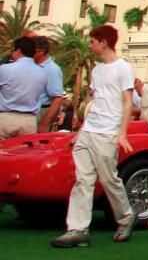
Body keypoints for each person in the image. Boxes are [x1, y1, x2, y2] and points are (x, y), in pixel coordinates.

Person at [52, 25, 135, 248]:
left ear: (104, 42)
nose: (89, 45)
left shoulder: (124, 68)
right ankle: (77, 229)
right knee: (83, 180)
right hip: (89, 132)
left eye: (92, 41)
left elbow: (128, 101)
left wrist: (122, 133)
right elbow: (95, 103)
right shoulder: (96, 70)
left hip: (108, 132)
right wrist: (80, 132)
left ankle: (126, 218)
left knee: (109, 179)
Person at [0, 37, 50, 140]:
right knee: (23, 155)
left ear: (18, 50)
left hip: (6, 119)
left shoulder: (5, 69)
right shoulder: (42, 72)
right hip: (29, 122)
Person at [32, 37, 64, 133]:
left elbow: (57, 99)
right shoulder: (33, 66)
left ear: (41, 51)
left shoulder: (51, 69)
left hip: (41, 111)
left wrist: (43, 124)